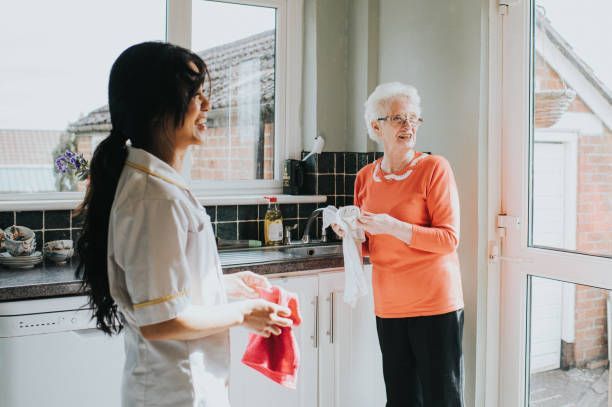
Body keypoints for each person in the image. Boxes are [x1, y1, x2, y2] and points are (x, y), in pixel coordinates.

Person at [75, 42, 292, 407]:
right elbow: (160, 321)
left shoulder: (158, 185)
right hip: (172, 393)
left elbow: (167, 287)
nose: (207, 104)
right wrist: (243, 313)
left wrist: (227, 285)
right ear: (156, 106)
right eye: (194, 93)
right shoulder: (154, 196)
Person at [333, 82, 464, 406]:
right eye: (398, 118)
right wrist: (350, 235)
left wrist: (394, 226)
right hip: (389, 306)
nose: (409, 126)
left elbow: (448, 239)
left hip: (435, 305)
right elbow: (371, 246)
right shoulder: (365, 177)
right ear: (376, 126)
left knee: (441, 399)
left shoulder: (435, 169)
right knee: (401, 400)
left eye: (413, 118)